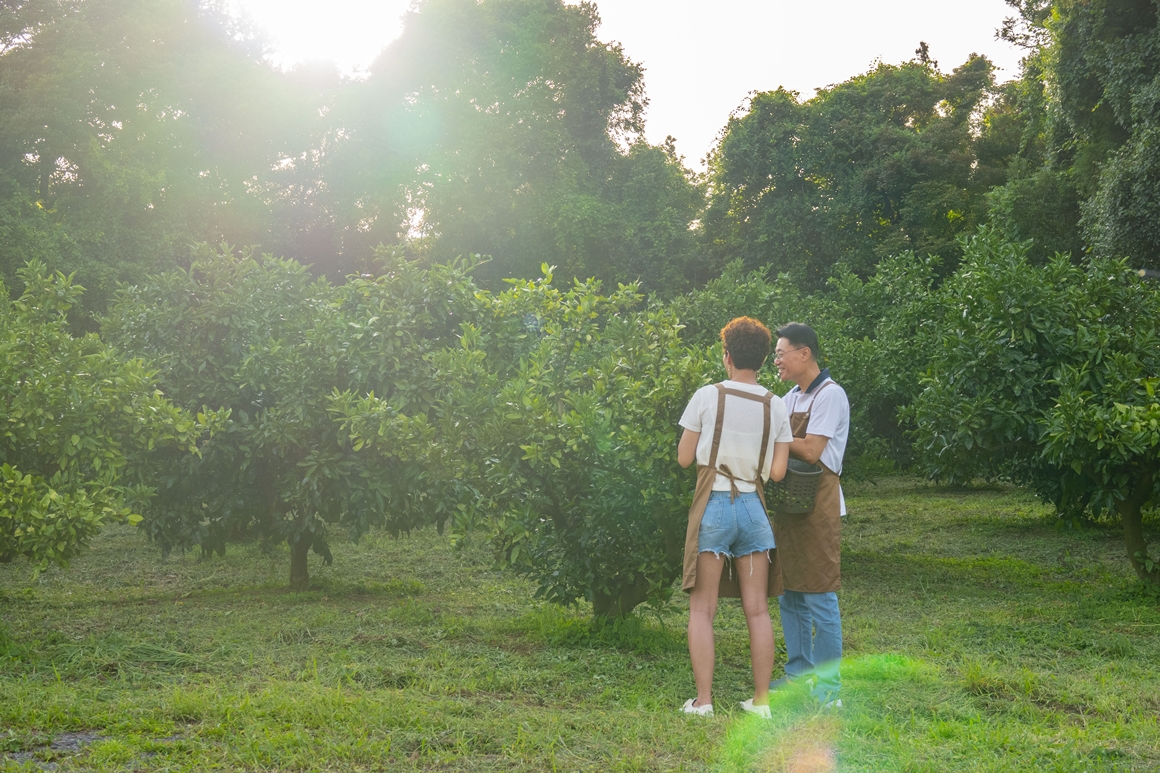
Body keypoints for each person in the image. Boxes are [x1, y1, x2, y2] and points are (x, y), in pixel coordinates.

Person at [676, 317, 792, 718]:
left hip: (714, 507)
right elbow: (777, 473)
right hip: (753, 510)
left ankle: (704, 701)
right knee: (757, 610)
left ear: (727, 356)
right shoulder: (775, 404)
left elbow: (684, 457)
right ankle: (761, 702)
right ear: (762, 359)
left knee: (702, 610)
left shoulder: (708, 396)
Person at [769, 322, 850, 707]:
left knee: (820, 596)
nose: (777, 360)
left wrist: (775, 438)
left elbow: (813, 450)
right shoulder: (789, 398)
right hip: (789, 505)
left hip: (817, 505)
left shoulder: (831, 395)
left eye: (782, 353)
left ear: (805, 354)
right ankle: (798, 676)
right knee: (790, 596)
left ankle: (829, 689)